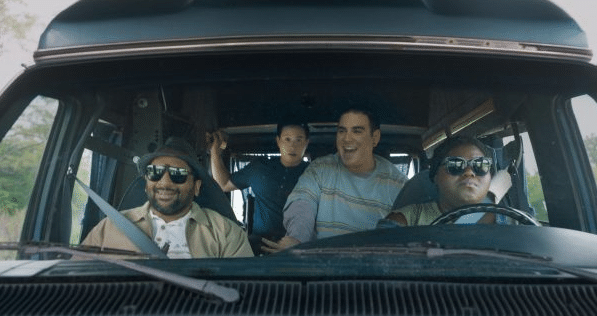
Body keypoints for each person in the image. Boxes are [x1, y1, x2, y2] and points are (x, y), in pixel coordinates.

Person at [262, 108, 407, 252]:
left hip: (372, 270)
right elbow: (302, 203)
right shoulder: (320, 168)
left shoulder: (397, 183)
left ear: (374, 138)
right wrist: (298, 239)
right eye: (342, 131)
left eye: (357, 131)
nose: (347, 139)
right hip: (322, 266)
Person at [82, 137, 253, 258]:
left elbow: (245, 292)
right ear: (146, 181)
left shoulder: (226, 233)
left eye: (178, 175)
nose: (164, 183)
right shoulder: (109, 227)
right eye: (155, 173)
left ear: (196, 187)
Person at [209, 122, 310, 254]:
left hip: (299, 248)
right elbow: (223, 184)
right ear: (278, 141)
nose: (292, 145)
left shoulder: (314, 174)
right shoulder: (259, 168)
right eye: (287, 139)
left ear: (306, 143)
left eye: (299, 139)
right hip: (260, 246)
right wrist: (214, 150)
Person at [385, 135, 497, 226]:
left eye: (480, 165)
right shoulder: (404, 221)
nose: (469, 172)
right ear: (436, 175)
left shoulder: (508, 220)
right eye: (455, 165)